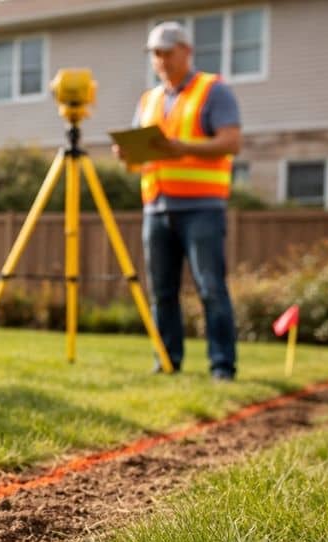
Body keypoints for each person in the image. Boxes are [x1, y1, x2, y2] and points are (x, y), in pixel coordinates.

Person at [114, 21, 241, 380]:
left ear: (187, 51)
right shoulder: (149, 99)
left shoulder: (213, 91)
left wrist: (183, 148)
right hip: (156, 208)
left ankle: (221, 366)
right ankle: (167, 362)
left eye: (168, 53)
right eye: (156, 54)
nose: (162, 61)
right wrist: (127, 153)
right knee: (162, 292)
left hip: (202, 207)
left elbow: (231, 142)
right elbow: (139, 158)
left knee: (210, 287)